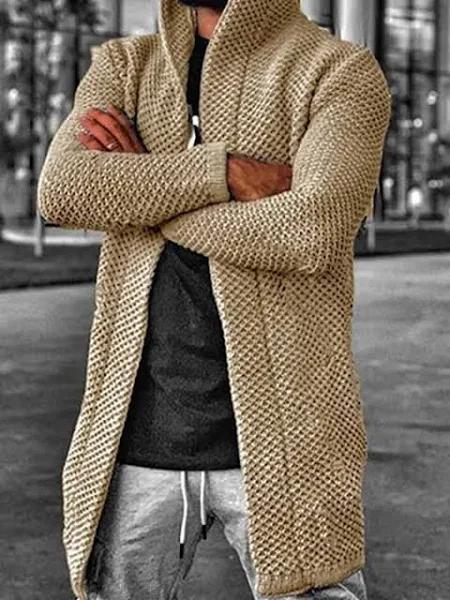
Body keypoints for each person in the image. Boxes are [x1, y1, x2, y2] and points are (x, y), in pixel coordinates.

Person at [36, 0, 392, 598]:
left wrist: (146, 189)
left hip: (289, 440)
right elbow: (63, 190)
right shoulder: (125, 66)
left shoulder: (339, 71)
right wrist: (221, 173)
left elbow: (310, 231)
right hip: (136, 436)